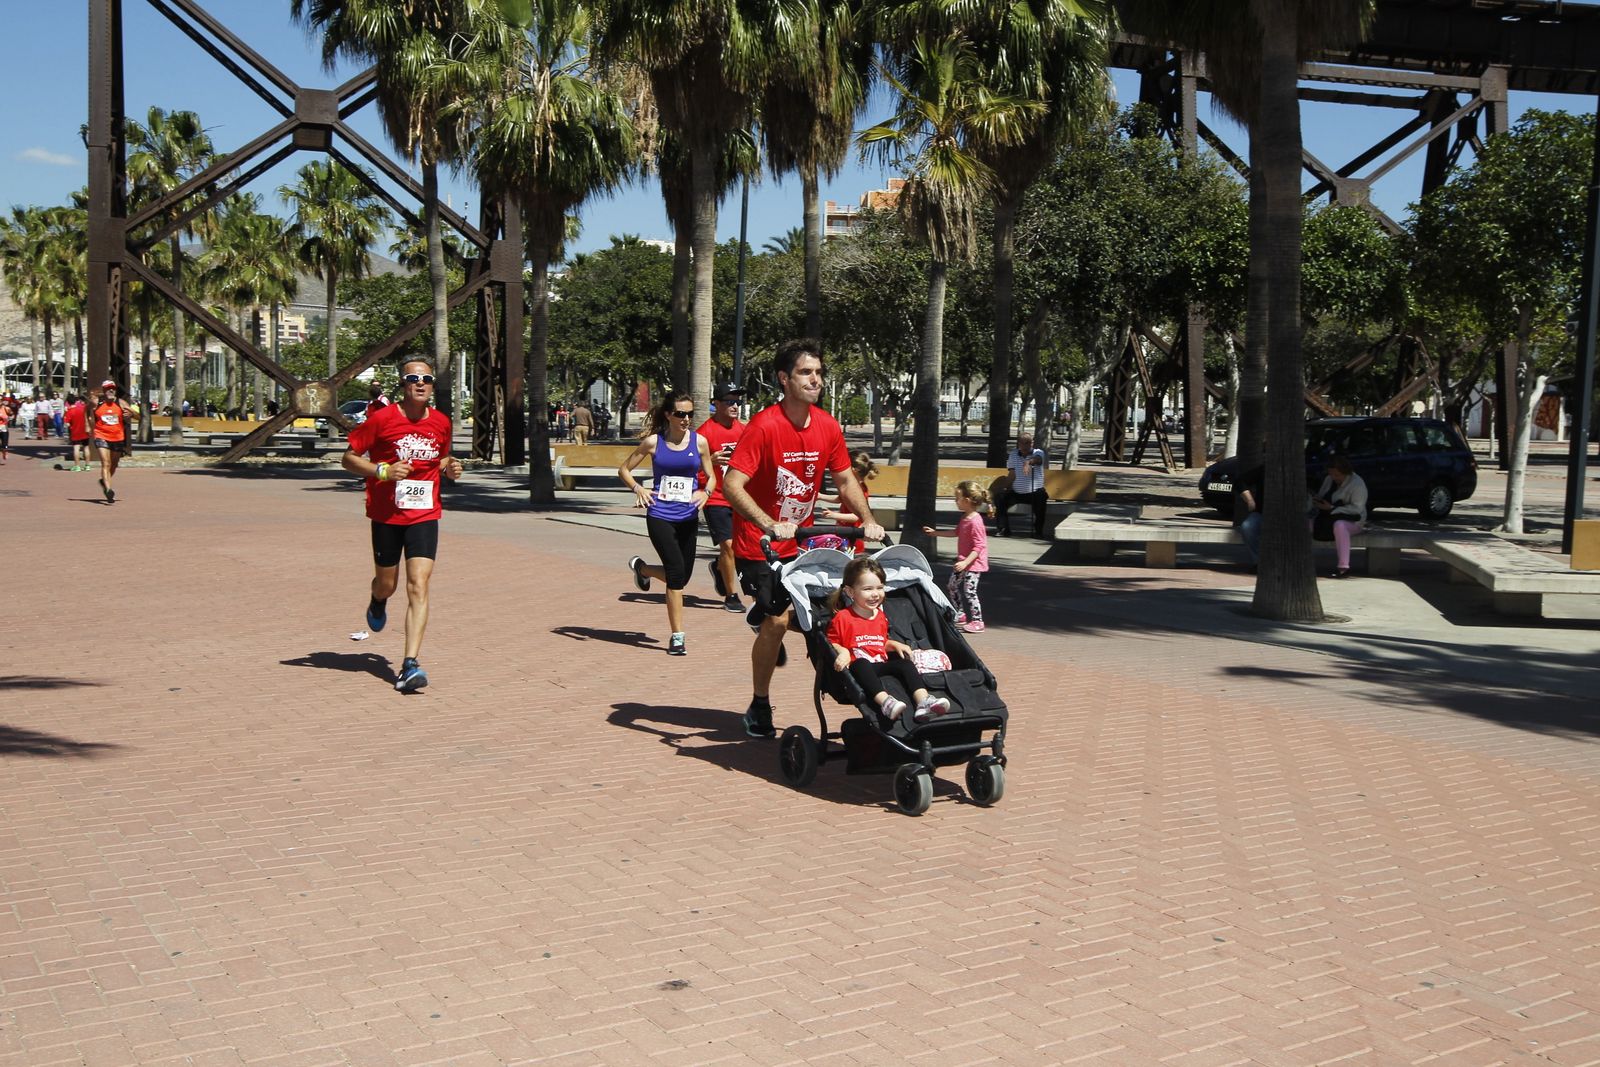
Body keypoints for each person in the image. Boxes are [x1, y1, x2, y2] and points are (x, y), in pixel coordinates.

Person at [723, 337, 884, 738]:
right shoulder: (764, 426)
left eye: (818, 373)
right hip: (757, 545)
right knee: (777, 623)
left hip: (800, 543)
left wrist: (868, 521)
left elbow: (845, 479)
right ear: (784, 378)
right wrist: (766, 523)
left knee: (828, 612)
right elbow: (731, 484)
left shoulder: (827, 425)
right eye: (805, 373)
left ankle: (763, 612)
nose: (815, 380)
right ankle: (760, 704)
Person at [340, 358, 464, 692]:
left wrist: (450, 467)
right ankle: (377, 599)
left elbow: (440, 458)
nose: (420, 383)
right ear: (403, 383)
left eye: (426, 379)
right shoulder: (381, 419)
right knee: (388, 583)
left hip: (425, 513)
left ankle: (409, 664)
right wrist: (382, 471)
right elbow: (348, 458)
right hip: (386, 514)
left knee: (419, 584)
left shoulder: (440, 422)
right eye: (413, 378)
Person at [618, 392, 718, 655]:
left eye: (690, 414)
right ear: (668, 415)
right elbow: (624, 470)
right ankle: (677, 636)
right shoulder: (654, 442)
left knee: (682, 576)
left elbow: (711, 476)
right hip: (660, 515)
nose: (686, 419)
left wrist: (705, 492)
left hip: (688, 517)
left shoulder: (700, 443)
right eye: (680, 414)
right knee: (676, 576)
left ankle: (643, 570)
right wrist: (638, 489)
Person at [826, 557, 952, 723]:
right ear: (850, 592)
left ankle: (924, 701)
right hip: (859, 667)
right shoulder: (843, 618)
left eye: (880, 587)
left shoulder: (880, 616)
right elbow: (830, 642)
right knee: (861, 663)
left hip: (880, 662)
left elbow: (880, 642)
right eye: (868, 589)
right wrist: (843, 652)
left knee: (905, 664)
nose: (875, 594)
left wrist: (894, 644)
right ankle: (886, 702)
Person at [697, 383, 746, 611]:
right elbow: (689, 468)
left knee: (741, 548)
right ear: (715, 403)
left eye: (737, 401)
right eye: (729, 401)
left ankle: (719, 567)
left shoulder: (744, 430)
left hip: (740, 498)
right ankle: (732, 595)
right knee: (729, 545)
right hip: (716, 498)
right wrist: (709, 462)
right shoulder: (704, 434)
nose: (735, 406)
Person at [921, 480, 991, 634]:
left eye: (957, 498)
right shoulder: (965, 517)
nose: (955, 501)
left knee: (970, 591)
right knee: (952, 585)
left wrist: (966, 561)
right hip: (963, 562)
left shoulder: (976, 521)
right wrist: (935, 533)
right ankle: (959, 614)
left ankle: (978, 621)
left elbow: (979, 546)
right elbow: (956, 532)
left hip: (973, 563)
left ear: (966, 501)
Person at [1310, 454, 1368, 579]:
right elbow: (1321, 496)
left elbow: (1357, 509)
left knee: (1340, 525)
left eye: (1337, 475)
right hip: (1326, 519)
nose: (1334, 478)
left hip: (1353, 521)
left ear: (1346, 472)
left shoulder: (1357, 484)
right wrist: (1316, 502)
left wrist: (1332, 508)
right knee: (1304, 524)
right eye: (1331, 474)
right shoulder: (1328, 480)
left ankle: (1343, 567)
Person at [818, 451, 877, 555]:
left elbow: (856, 517)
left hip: (853, 536)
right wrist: (820, 496)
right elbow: (839, 499)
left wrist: (835, 515)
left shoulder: (860, 492)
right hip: (843, 533)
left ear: (854, 470)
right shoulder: (852, 489)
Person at [995, 432, 1048, 538]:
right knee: (1000, 498)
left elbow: (1038, 460)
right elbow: (1012, 474)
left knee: (1041, 498)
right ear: (1018, 443)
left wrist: (1028, 462)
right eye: (1023, 443)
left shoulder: (1039, 452)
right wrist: (1004, 487)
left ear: (1032, 443)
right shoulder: (1013, 454)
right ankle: (1003, 529)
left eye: (1028, 443)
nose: (1026, 445)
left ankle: (1038, 531)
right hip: (1017, 493)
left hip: (1034, 492)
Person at [90, 380, 136, 502]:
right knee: (106, 463)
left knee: (114, 464)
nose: (111, 390)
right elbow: (86, 409)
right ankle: (108, 490)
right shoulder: (96, 402)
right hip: (101, 436)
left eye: (113, 388)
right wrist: (87, 423)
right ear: (104, 390)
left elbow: (139, 417)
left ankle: (104, 481)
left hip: (117, 437)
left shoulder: (121, 403)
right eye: (108, 388)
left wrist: (131, 414)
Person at [1237, 462, 1265, 569]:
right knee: (1247, 527)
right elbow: (1240, 482)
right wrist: (1250, 500)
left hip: (1288, 516)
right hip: (1261, 513)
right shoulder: (1264, 469)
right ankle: (1259, 562)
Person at [64, 393, 91, 471]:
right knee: (86, 447)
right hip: (84, 430)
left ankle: (77, 466)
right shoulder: (82, 408)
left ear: (68, 402)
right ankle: (87, 465)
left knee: (76, 448)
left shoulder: (69, 411)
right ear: (75, 401)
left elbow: (67, 424)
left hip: (75, 431)